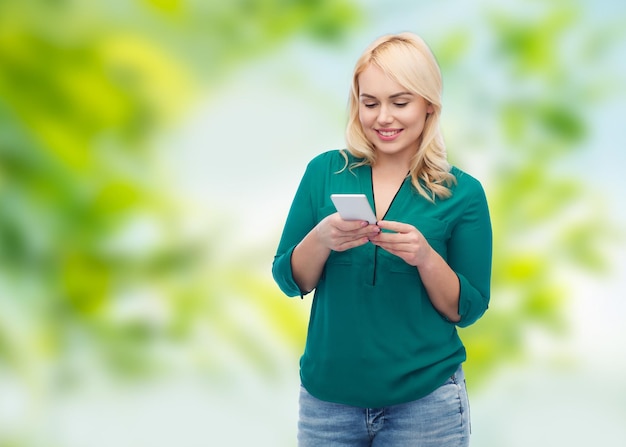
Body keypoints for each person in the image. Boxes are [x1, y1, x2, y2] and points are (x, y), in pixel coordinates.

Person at [272, 32, 492, 447]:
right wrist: (320, 239)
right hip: (328, 405)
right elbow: (289, 279)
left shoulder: (462, 193)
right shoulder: (324, 173)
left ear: (429, 104)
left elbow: (468, 308)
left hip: (426, 405)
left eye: (400, 102)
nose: (383, 118)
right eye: (369, 103)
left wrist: (426, 258)